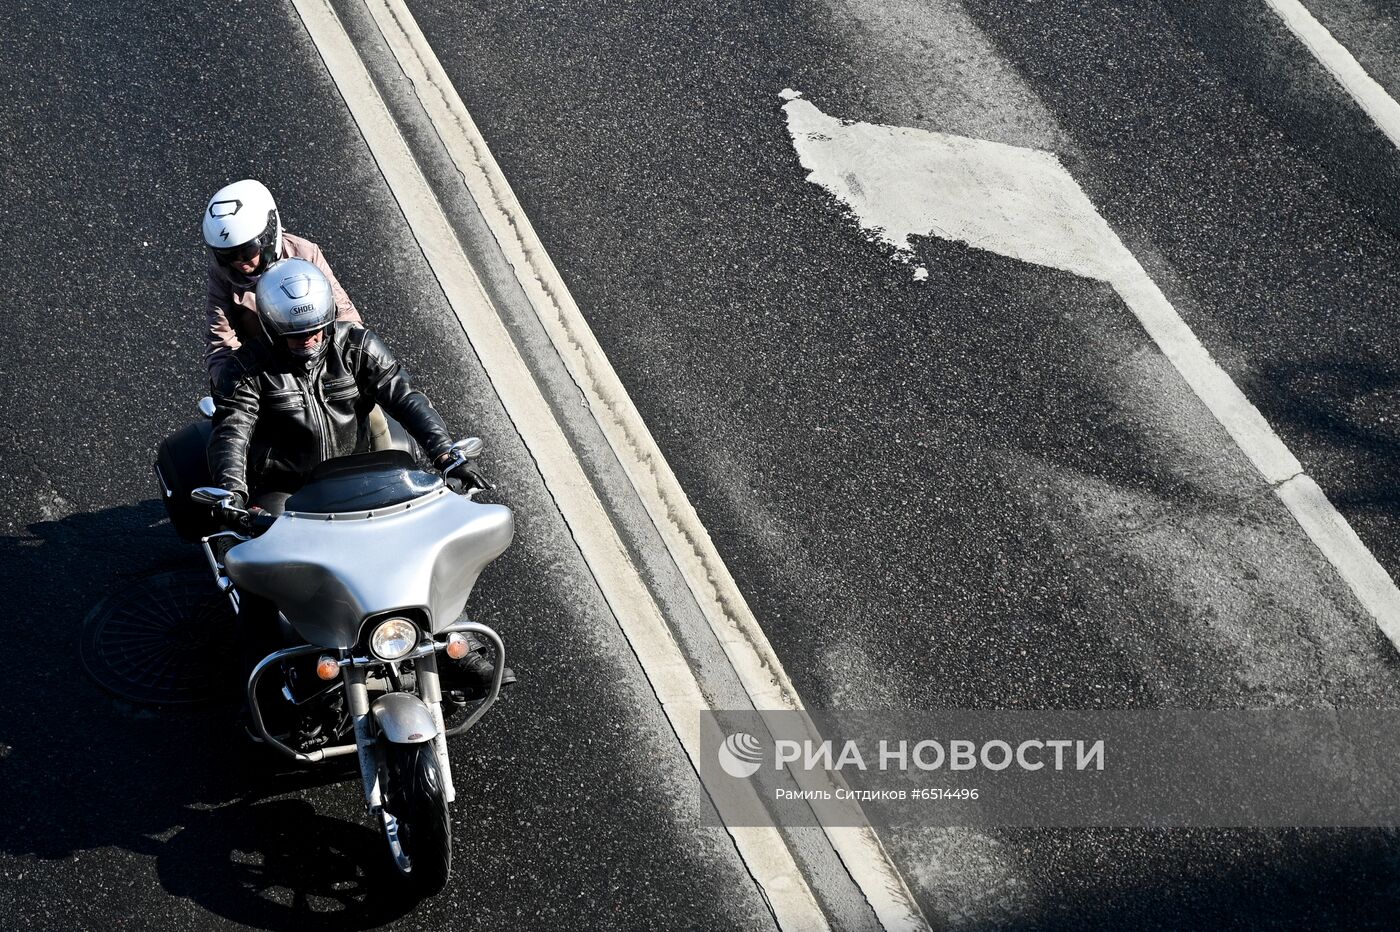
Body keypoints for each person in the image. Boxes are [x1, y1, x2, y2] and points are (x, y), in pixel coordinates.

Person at [208, 258, 511, 728]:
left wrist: (448, 454)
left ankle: (456, 646)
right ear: (269, 328)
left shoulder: (355, 346)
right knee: (261, 576)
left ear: (328, 320)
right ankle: (265, 695)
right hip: (288, 489)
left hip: (363, 472)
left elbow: (403, 395)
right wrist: (231, 492)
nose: (307, 341)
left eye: (315, 330)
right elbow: (233, 429)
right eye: (294, 334)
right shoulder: (248, 370)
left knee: (418, 547)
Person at [201, 179, 389, 448]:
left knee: (375, 421)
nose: (240, 263)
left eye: (247, 250)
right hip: (265, 373)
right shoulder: (222, 276)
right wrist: (238, 389)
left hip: (322, 361)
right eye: (228, 255)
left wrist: (341, 367)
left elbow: (346, 316)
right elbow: (220, 342)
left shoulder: (305, 253)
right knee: (235, 442)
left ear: (268, 234)